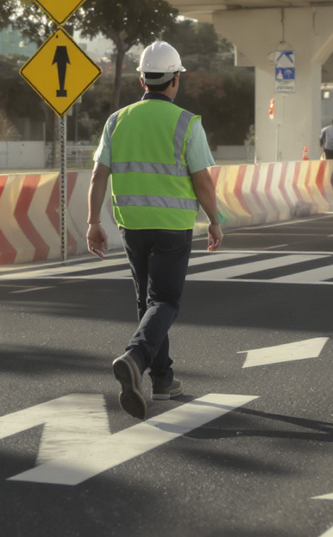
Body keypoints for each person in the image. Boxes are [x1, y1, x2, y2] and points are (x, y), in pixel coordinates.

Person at [86, 40, 223, 420]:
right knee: (165, 301)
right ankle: (136, 358)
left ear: (142, 79)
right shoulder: (187, 123)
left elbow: (98, 176)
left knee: (147, 302)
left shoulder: (117, 120)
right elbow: (203, 182)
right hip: (172, 228)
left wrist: (93, 222)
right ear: (175, 80)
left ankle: (162, 379)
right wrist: (214, 220)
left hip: (131, 226)